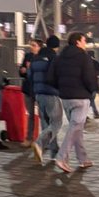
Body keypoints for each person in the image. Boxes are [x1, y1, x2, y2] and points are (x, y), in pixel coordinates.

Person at [48, 32, 98, 174]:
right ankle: (62, 158)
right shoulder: (84, 57)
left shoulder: (59, 57)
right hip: (81, 97)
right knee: (75, 127)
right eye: (84, 41)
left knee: (77, 128)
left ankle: (83, 158)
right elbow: (89, 77)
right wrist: (93, 90)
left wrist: (61, 88)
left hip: (65, 98)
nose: (85, 43)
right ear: (77, 42)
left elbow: (50, 78)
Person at [30, 34, 63, 166]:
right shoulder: (54, 58)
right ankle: (39, 143)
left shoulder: (36, 58)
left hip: (38, 94)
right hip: (51, 93)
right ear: (56, 47)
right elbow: (58, 75)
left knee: (47, 124)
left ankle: (54, 153)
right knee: (56, 122)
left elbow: (30, 75)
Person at [19, 38, 41, 142]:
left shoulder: (42, 58)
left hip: (39, 89)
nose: (31, 47)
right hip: (28, 89)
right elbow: (21, 71)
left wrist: (29, 69)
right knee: (30, 115)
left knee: (42, 115)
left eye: (34, 45)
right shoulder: (27, 56)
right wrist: (22, 70)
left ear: (39, 47)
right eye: (31, 45)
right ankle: (29, 138)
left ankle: (43, 139)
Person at [89, 52, 99, 119]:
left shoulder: (84, 61)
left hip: (87, 85)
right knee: (91, 99)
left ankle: (85, 114)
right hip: (93, 83)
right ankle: (95, 113)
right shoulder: (95, 62)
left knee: (90, 100)